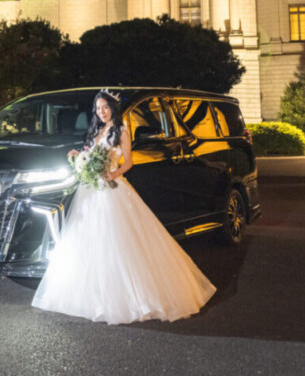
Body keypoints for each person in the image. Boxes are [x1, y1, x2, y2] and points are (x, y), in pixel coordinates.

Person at [32, 89, 216, 324]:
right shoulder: (97, 130)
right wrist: (80, 157)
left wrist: (113, 173)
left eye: (105, 107)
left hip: (112, 188)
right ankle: (90, 294)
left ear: (113, 109)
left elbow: (128, 161)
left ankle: (126, 297)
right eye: (98, 108)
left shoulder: (121, 131)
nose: (102, 112)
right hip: (91, 190)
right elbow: (91, 154)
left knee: (116, 240)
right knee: (88, 240)